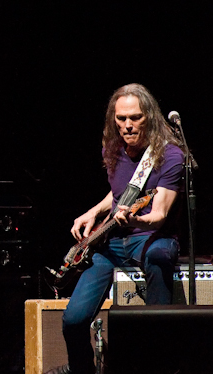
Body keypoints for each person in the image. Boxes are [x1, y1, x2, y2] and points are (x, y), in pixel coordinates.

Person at [45, 83, 185, 374]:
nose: (127, 125)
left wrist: (134, 220)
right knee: (73, 319)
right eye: (121, 119)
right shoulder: (113, 148)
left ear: (150, 116)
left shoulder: (170, 155)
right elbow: (120, 194)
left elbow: (158, 215)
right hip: (112, 243)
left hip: (151, 237)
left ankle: (156, 360)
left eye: (135, 118)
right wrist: (92, 212)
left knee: (160, 256)